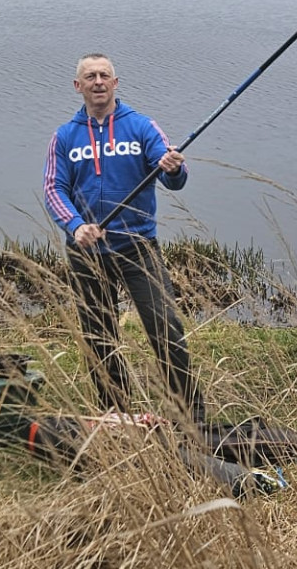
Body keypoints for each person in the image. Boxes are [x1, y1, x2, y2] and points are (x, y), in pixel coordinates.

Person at [43, 53, 205, 424]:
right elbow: (54, 188)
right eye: (90, 77)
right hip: (86, 252)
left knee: (165, 327)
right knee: (99, 336)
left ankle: (191, 416)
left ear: (115, 83)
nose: (98, 82)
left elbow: (173, 178)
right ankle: (115, 413)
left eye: (104, 75)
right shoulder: (64, 136)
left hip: (138, 248)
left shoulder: (143, 127)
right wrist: (75, 225)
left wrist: (174, 168)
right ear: (78, 86)